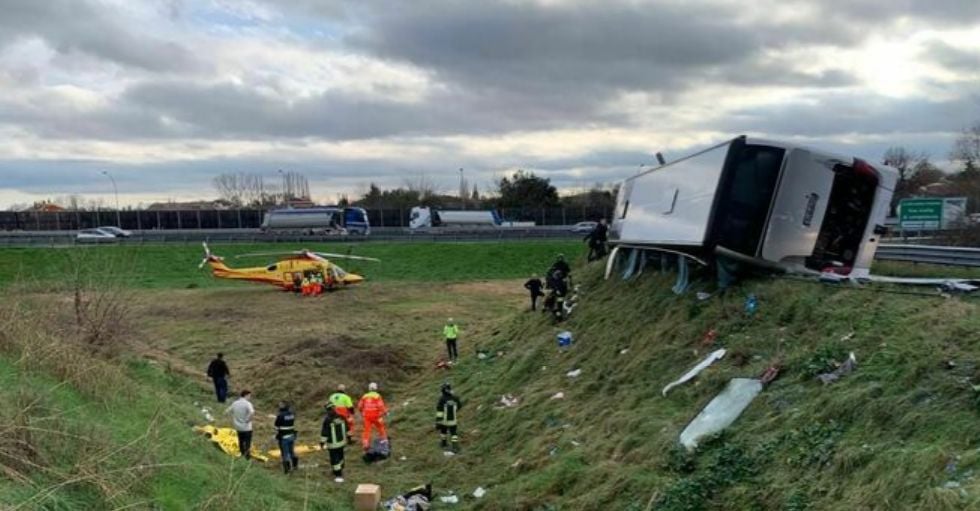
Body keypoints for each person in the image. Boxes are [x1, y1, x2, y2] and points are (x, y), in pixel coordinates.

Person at [320, 404, 349, 483]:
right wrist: (349, 438)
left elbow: (324, 432)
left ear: (328, 410)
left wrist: (322, 443)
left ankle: (338, 474)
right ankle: (341, 468)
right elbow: (347, 428)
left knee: (334, 459)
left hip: (333, 444)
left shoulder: (328, 419)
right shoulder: (341, 417)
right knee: (341, 456)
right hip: (342, 442)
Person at [357, 382, 389, 451]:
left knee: (367, 430)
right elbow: (381, 406)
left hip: (367, 416)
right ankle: (384, 439)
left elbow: (359, 406)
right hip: (376, 416)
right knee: (380, 427)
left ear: (369, 388)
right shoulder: (377, 396)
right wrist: (385, 412)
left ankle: (366, 444)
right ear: (376, 388)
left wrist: (361, 411)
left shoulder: (364, 396)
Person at [225, 389, 255, 460]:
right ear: (246, 395)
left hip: (238, 426)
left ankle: (242, 454)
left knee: (240, 441)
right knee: (247, 442)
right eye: (249, 396)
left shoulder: (235, 403)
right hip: (247, 427)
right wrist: (248, 420)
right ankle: (247, 456)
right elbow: (252, 412)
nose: (250, 397)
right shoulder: (247, 404)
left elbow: (227, 411)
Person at [435, 383, 463, 452]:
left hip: (444, 420)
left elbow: (439, 410)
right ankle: (455, 446)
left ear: (443, 390)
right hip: (453, 420)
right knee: (453, 433)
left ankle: (443, 443)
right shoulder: (455, 398)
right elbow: (459, 406)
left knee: (443, 431)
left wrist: (438, 421)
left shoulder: (442, 399)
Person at [274, 401, 298, 474]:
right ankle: (295, 466)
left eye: (280, 405)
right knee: (292, 452)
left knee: (285, 453)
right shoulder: (292, 414)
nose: (279, 406)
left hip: (284, 437)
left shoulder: (280, 415)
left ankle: (287, 470)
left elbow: (276, 425)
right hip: (292, 435)